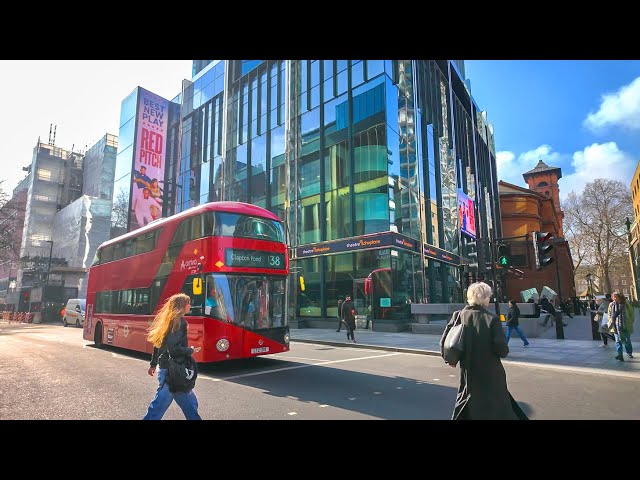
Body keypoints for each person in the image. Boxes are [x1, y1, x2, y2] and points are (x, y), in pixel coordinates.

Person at [441, 282, 527, 420]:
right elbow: (502, 350)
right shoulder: (492, 319)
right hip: (491, 372)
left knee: (467, 402)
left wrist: (449, 359)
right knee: (497, 406)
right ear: (485, 298)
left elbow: (446, 340)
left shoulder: (459, 315)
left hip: (469, 371)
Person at [143, 293, 202, 420]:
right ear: (182, 306)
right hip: (173, 370)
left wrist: (153, 364)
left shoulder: (167, 321)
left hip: (168, 367)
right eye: (188, 303)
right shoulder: (179, 322)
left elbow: (157, 344)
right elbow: (174, 349)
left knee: (190, 404)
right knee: (158, 407)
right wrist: (190, 350)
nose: (190, 305)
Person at [609, 292, 634, 361]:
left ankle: (629, 352)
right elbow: (609, 314)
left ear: (620, 297)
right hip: (615, 326)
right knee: (617, 341)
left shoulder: (626, 304)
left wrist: (630, 321)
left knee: (627, 340)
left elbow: (631, 313)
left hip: (625, 325)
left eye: (616, 297)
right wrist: (611, 322)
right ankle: (620, 355)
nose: (615, 298)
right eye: (614, 297)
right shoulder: (611, 305)